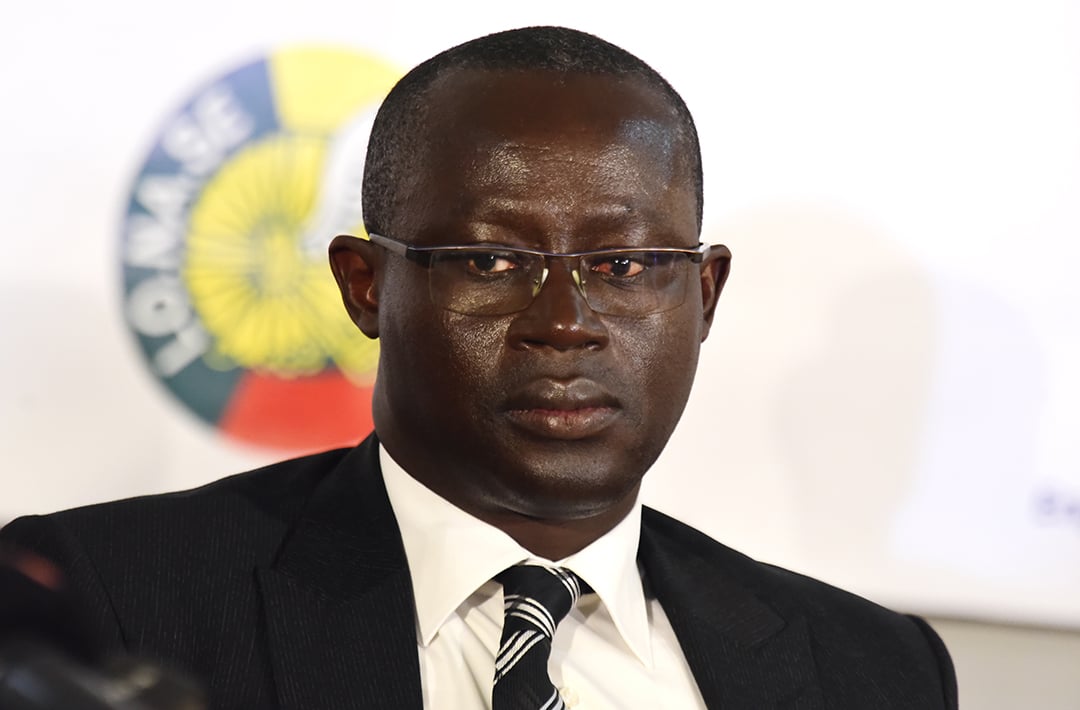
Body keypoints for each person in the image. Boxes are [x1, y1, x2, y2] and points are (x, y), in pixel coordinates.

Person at [0, 26, 957, 709]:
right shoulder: (109, 603)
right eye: (491, 261)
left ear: (703, 296)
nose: (564, 322)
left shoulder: (873, 669)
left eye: (622, 266)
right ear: (365, 286)